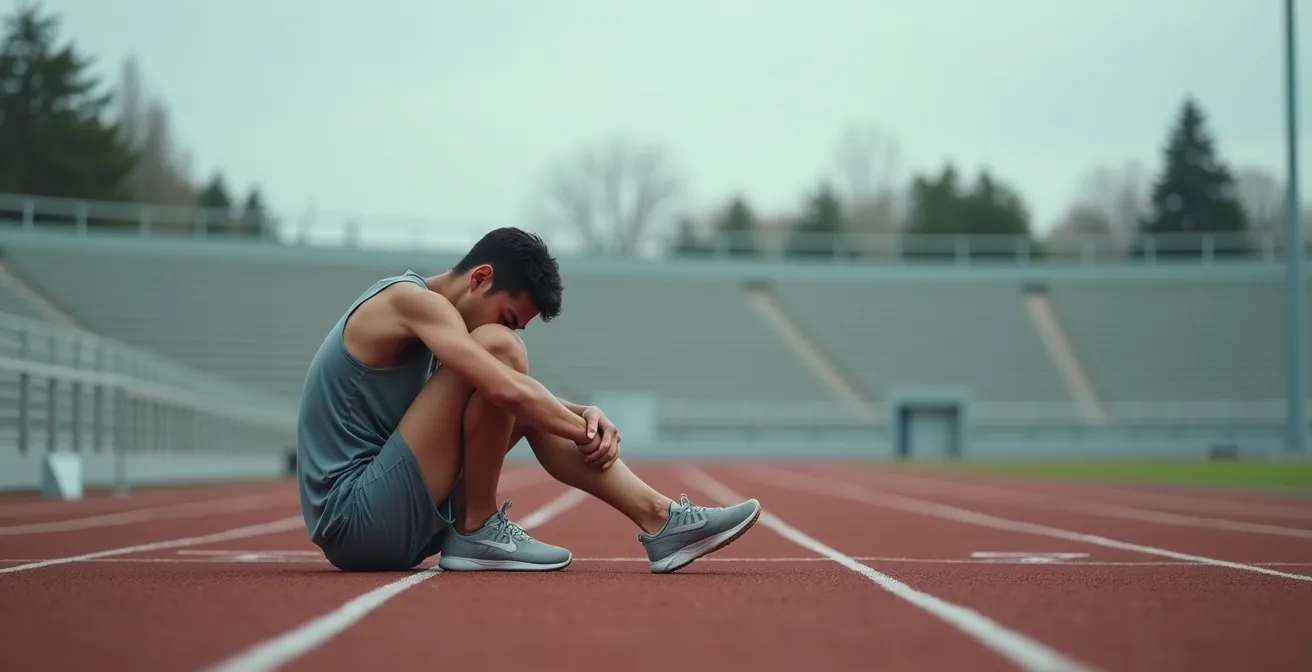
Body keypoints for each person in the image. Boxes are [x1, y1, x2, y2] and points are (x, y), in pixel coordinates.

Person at [295, 226, 761, 573]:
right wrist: (579, 429)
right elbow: (501, 382)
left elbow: (509, 391)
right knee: (501, 352)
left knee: (515, 379)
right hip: (356, 517)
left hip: (394, 513)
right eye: (508, 315)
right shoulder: (411, 302)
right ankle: (476, 530)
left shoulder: (444, 329)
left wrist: (582, 414)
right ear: (479, 277)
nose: (510, 328)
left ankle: (663, 522)